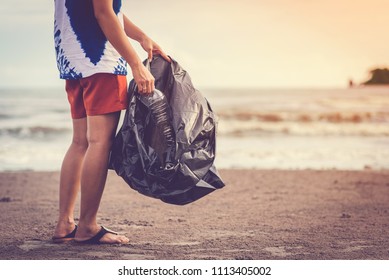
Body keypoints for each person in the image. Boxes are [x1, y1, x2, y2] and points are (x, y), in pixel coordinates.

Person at [52, 0, 170, 244]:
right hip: (102, 61)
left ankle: (65, 224)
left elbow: (108, 10)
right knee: (99, 142)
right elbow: (103, 13)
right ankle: (87, 227)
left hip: (72, 60)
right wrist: (136, 64)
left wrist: (141, 36)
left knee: (80, 142)